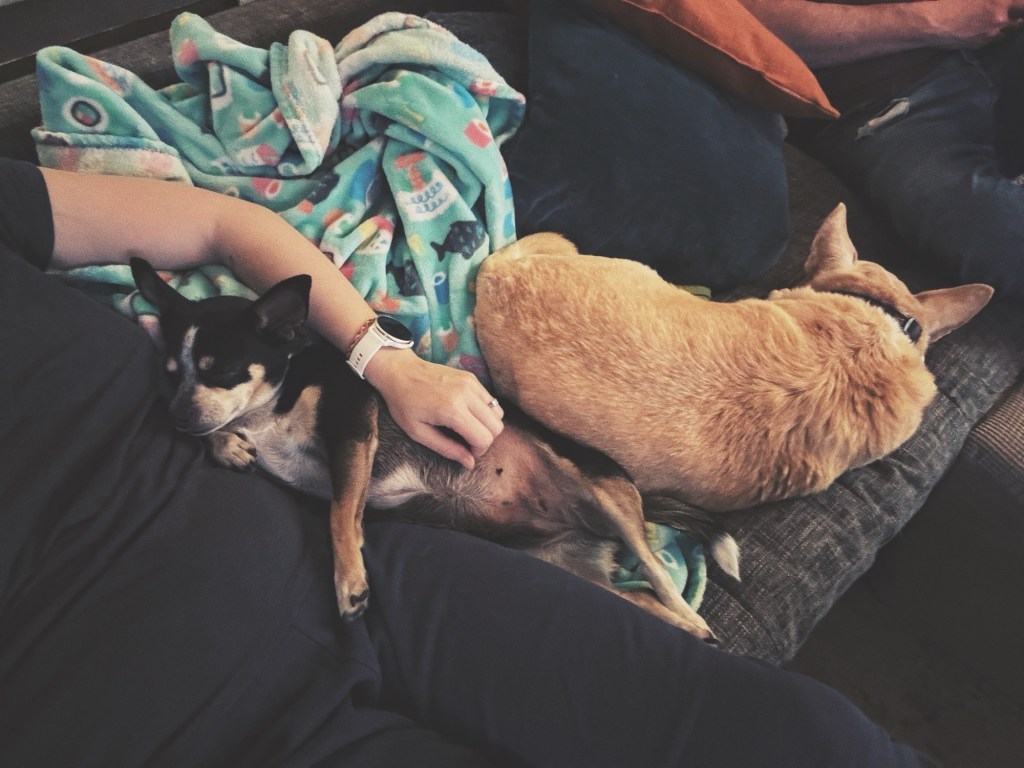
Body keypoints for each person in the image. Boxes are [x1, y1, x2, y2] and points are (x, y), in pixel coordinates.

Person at [0, 157, 936, 766]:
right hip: (161, 712)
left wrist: (385, 360)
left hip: (381, 562)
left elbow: (219, 226)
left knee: (797, 738)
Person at [740, 0, 1024, 299]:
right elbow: (749, 26)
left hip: (999, 43)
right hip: (886, 106)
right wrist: (931, 22)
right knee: (995, 234)